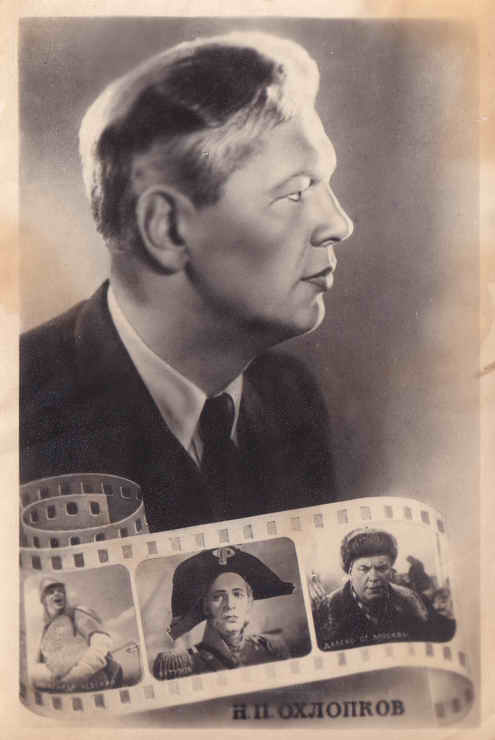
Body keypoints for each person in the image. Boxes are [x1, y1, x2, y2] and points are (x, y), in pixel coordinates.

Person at [20, 31, 354, 533]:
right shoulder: (20, 408)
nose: (339, 224)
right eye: (295, 193)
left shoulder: (288, 396)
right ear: (167, 228)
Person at [153, 546, 294, 678]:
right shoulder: (185, 664)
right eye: (218, 597)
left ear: (249, 602)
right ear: (206, 607)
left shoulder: (272, 648)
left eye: (238, 594)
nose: (230, 605)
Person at [313, 528, 455, 650]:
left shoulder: (411, 600)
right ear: (349, 572)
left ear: (391, 570)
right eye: (364, 569)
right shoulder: (326, 610)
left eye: (381, 568)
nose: (374, 577)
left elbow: (442, 633)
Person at [31, 577, 123, 692]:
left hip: (100, 680)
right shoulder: (46, 630)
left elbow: (102, 642)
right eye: (51, 592)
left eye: (60, 590)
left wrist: (77, 675)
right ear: (43, 600)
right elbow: (41, 664)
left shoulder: (77, 614)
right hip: (67, 687)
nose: (57, 593)